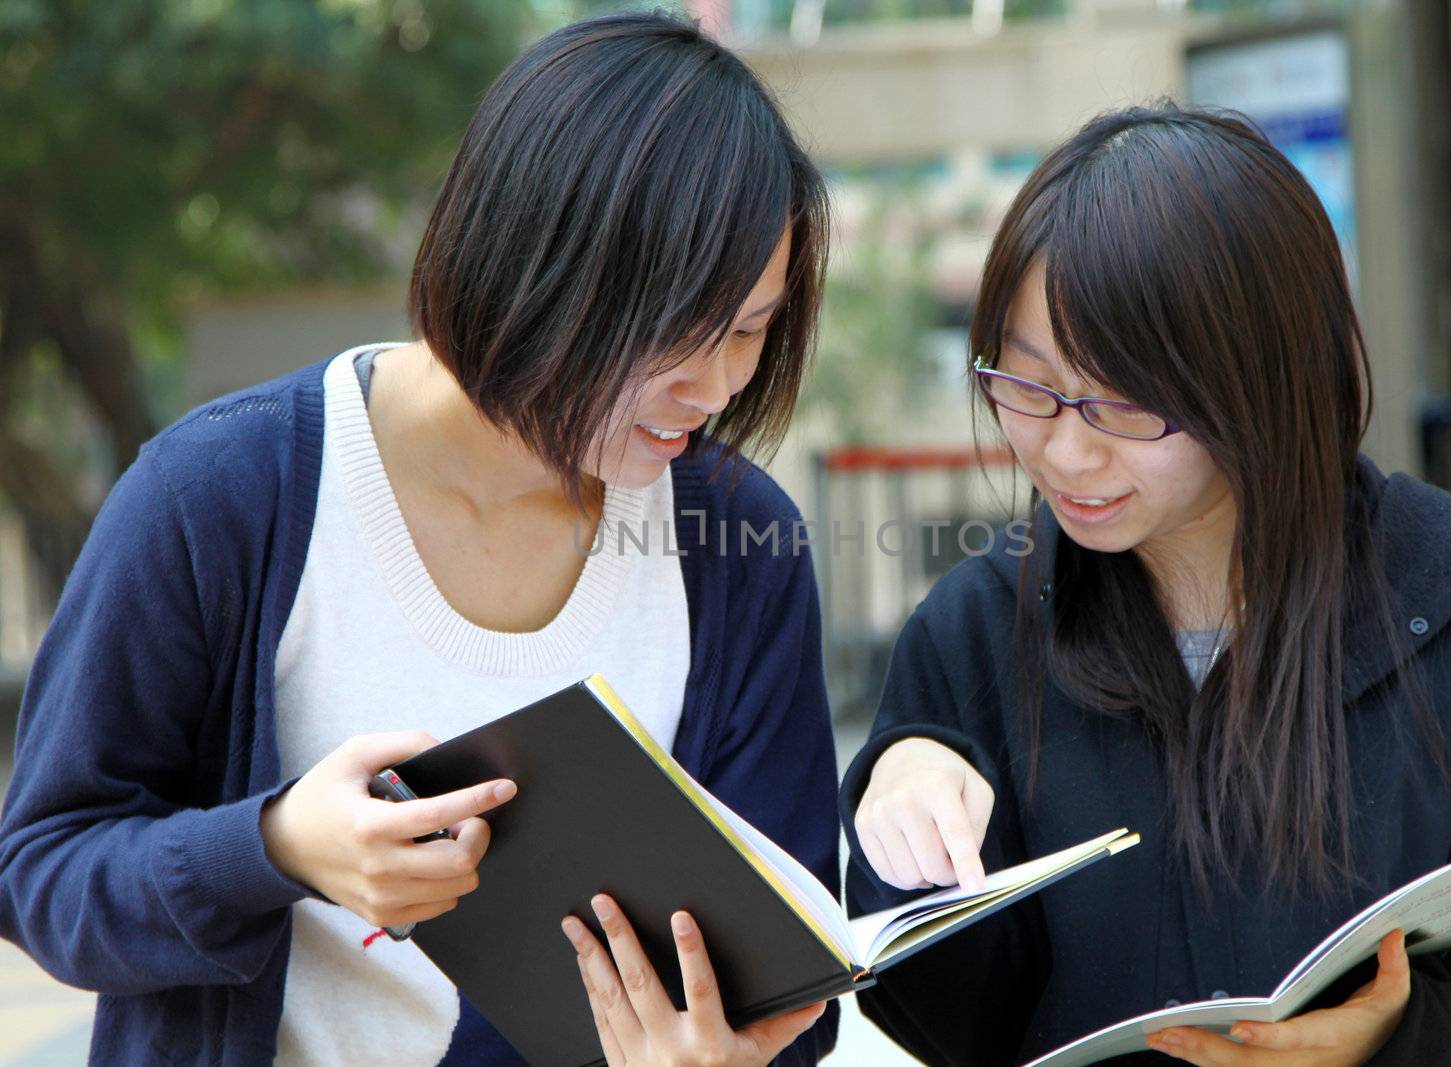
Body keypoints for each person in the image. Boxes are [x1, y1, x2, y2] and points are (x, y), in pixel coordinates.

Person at [0, 13, 839, 1066]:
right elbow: (40, 872)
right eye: (681, 332)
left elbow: (807, 976)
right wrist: (276, 847)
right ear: (540, 267)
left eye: (753, 331)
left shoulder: (735, 540)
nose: (717, 388)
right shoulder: (221, 494)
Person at [842, 105, 1451, 1067]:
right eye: (1025, 385)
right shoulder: (976, 630)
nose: (1064, 449)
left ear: (1258, 378)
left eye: (1121, 401)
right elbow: (951, 1022)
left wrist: (1398, 1038)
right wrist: (903, 823)